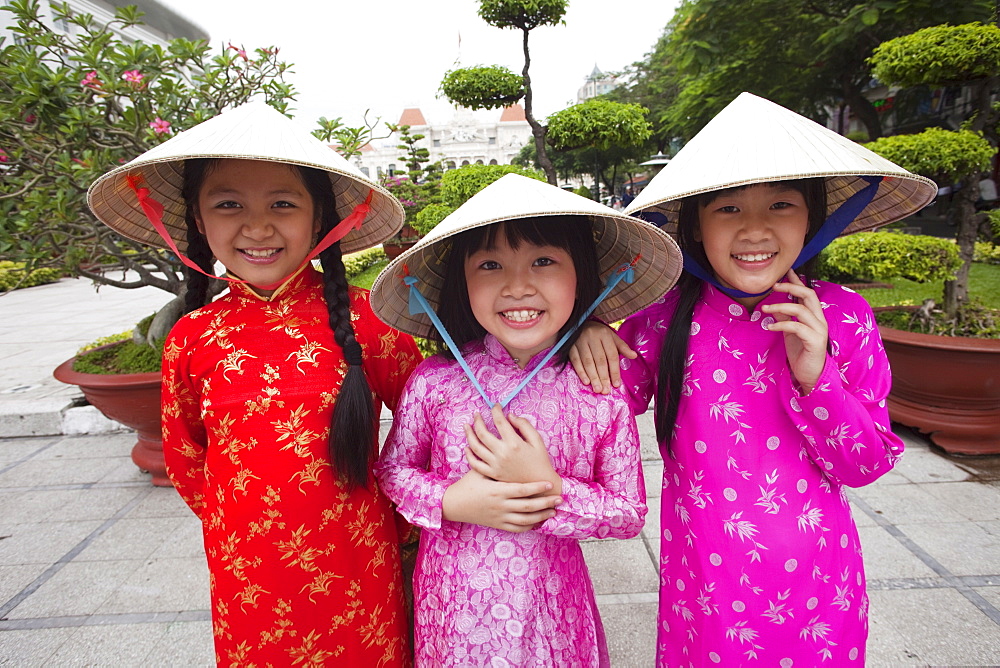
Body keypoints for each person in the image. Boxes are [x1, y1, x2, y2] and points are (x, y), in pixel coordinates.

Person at [569, 93, 937, 665]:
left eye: (781, 205)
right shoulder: (665, 317)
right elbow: (598, 406)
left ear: (814, 217)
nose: (755, 230)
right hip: (707, 592)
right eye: (728, 209)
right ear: (693, 227)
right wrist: (583, 332)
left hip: (822, 588)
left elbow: (865, 465)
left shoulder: (843, 316)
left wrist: (817, 378)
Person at [87, 102, 422, 666]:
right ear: (197, 219)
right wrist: (237, 528)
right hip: (248, 575)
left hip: (358, 561)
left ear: (320, 218)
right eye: (228, 205)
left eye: (283, 204)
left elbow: (430, 421)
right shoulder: (192, 336)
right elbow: (187, 455)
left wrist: (401, 518)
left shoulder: (368, 321)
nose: (258, 227)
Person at [369, 173, 683, 666]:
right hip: (450, 612)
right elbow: (393, 471)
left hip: (552, 614)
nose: (518, 286)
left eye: (544, 261)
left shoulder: (597, 388)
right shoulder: (434, 381)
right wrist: (450, 499)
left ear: (581, 274)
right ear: (462, 281)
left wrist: (550, 488)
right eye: (490, 264)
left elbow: (627, 513)